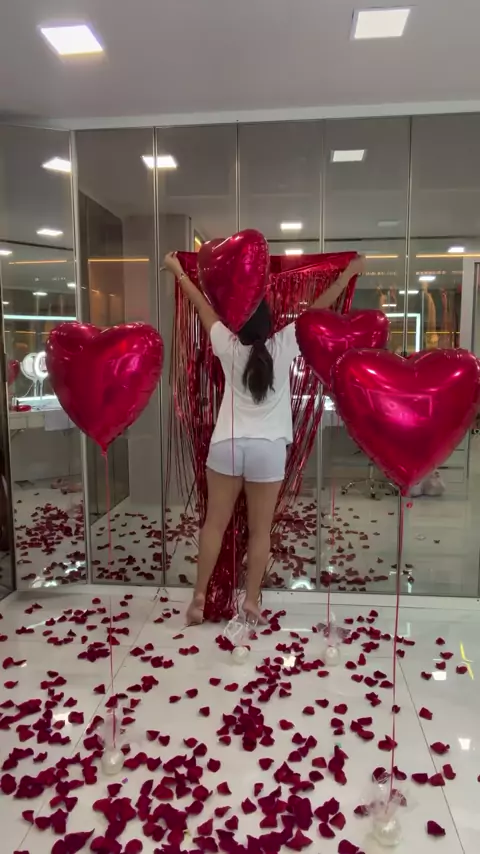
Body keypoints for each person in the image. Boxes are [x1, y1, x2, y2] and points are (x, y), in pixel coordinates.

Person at [164, 251, 366, 625]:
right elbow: (318, 309)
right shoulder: (285, 343)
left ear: (238, 324)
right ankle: (252, 601)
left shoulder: (227, 345)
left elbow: (201, 306)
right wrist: (347, 275)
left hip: (227, 444)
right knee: (260, 533)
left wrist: (178, 271)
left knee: (214, 525)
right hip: (268, 449)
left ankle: (198, 598)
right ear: (270, 323)